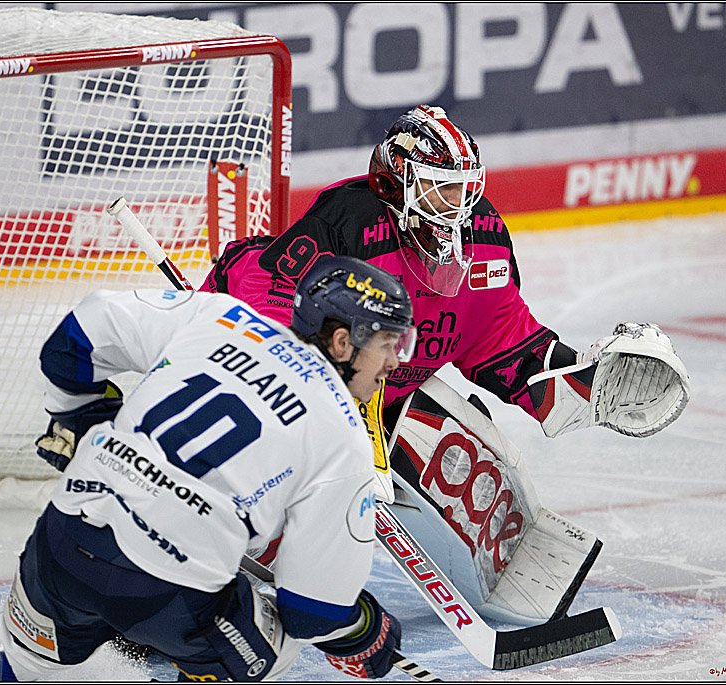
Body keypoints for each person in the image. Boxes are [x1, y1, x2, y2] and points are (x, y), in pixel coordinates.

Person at [199, 104, 690, 623]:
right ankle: (200, 574)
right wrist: (335, 403)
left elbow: (498, 334)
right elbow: (271, 303)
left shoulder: (484, 235)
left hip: (382, 388)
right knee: (293, 514)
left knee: (440, 440)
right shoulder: (349, 222)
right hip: (268, 371)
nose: (457, 205)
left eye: (464, 189)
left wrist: (574, 380)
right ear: (395, 182)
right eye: (440, 188)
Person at [0, 255, 417, 681]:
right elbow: (312, 613)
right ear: (342, 341)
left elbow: (75, 338)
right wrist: (362, 630)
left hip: (64, 542)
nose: (396, 360)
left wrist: (80, 419)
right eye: (388, 342)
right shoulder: (346, 438)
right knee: (277, 649)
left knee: (12, 657)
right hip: (168, 595)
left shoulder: (222, 316)